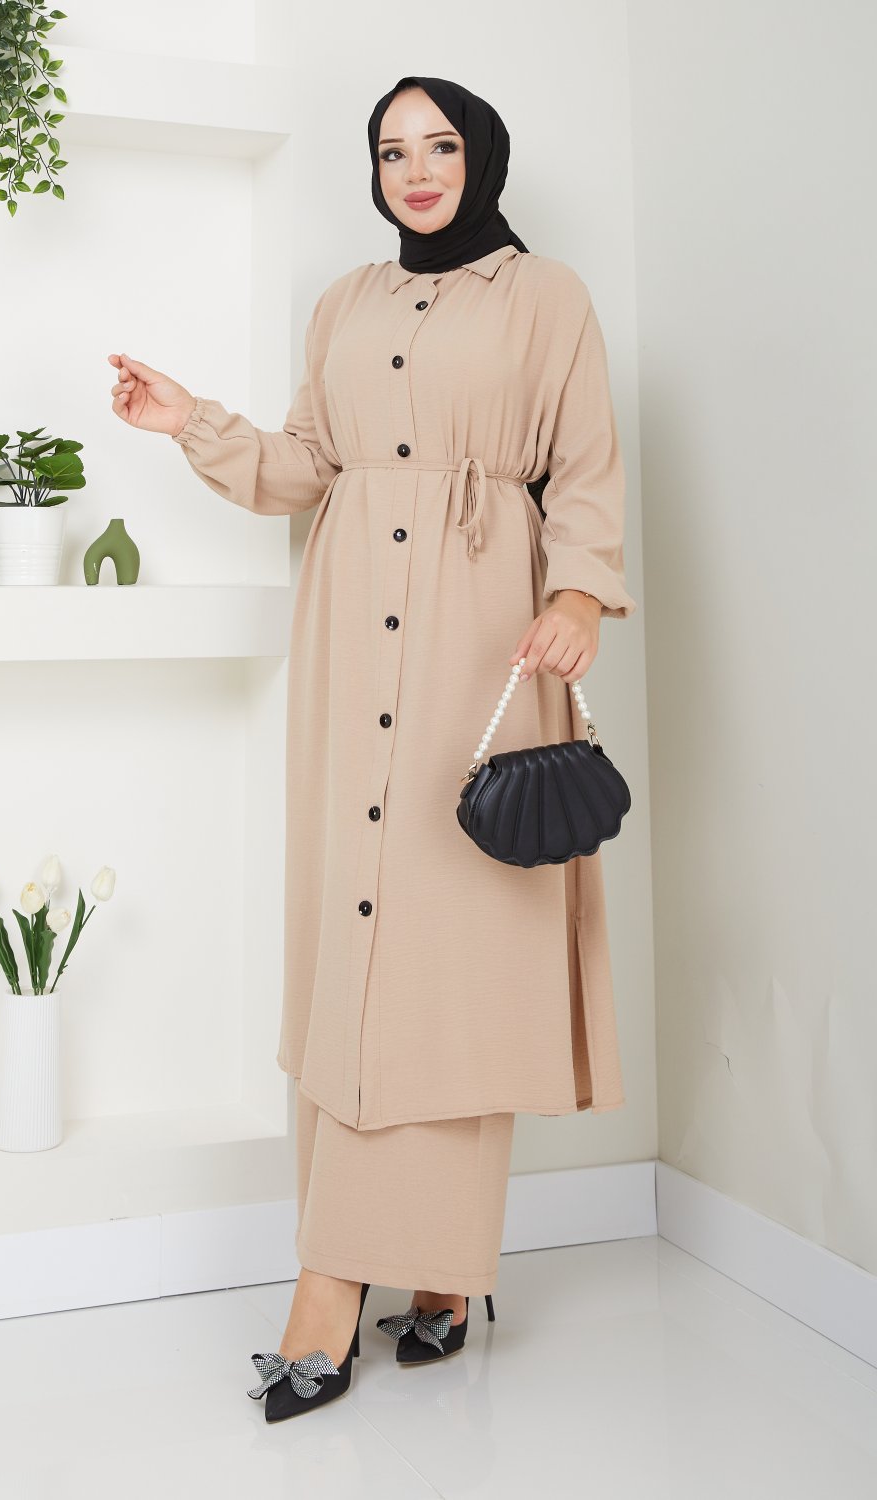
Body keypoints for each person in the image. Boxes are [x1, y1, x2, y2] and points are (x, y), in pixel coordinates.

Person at [107, 74, 637, 1423]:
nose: (416, 170)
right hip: (353, 649)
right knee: (360, 948)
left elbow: (585, 469)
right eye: (393, 150)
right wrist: (191, 424)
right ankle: (432, 1280)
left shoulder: (547, 297)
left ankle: (335, 1292)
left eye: (440, 145)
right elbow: (308, 468)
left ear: (482, 158)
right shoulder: (344, 303)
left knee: (453, 961)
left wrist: (580, 596)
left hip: (484, 645)